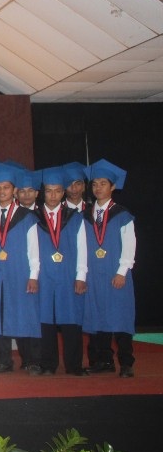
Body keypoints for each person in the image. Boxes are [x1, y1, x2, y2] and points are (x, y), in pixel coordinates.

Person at [0, 164, 41, 375]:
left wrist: (34, 275)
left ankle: (32, 361)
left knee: (26, 314)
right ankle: (2, 360)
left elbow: (34, 250)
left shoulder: (27, 216)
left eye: (6, 187)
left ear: (14, 190)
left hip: (20, 272)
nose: (2, 192)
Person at [82, 159, 136, 378]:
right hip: (94, 275)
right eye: (95, 184)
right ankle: (103, 361)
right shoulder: (86, 215)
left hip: (115, 274)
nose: (98, 188)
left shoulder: (122, 215)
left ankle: (126, 363)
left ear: (112, 187)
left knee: (120, 318)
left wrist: (122, 272)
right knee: (97, 317)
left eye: (103, 184)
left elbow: (130, 246)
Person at [35, 167, 88, 376]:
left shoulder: (74, 217)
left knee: (71, 319)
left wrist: (81, 275)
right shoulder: (34, 218)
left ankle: (74, 365)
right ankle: (48, 364)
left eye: (57, 191)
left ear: (63, 192)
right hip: (44, 275)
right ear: (43, 193)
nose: (53, 195)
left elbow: (82, 248)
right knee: (45, 319)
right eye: (49, 191)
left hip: (68, 275)